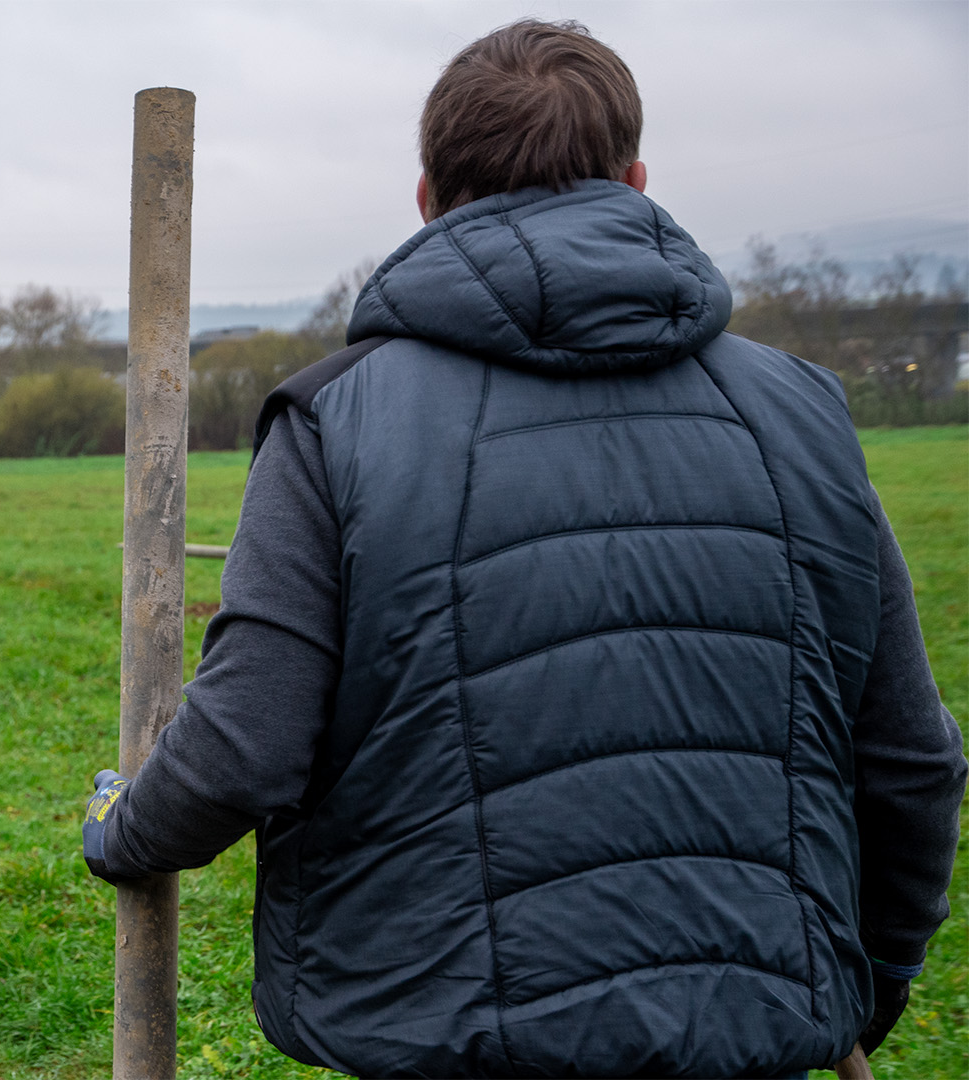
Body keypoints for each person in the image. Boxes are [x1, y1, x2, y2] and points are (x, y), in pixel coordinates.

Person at [81, 20, 964, 1078]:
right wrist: (875, 976)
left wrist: (121, 828)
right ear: (636, 181)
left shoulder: (334, 420)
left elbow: (243, 746)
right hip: (755, 1032)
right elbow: (912, 758)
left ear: (425, 197)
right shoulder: (802, 413)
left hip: (452, 1041)